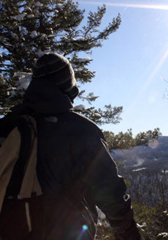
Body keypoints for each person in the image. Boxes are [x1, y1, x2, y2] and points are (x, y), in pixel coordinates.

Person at [0, 52, 141, 240]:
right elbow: (111, 194)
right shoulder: (81, 131)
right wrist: (129, 234)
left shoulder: (7, 125)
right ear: (68, 84)